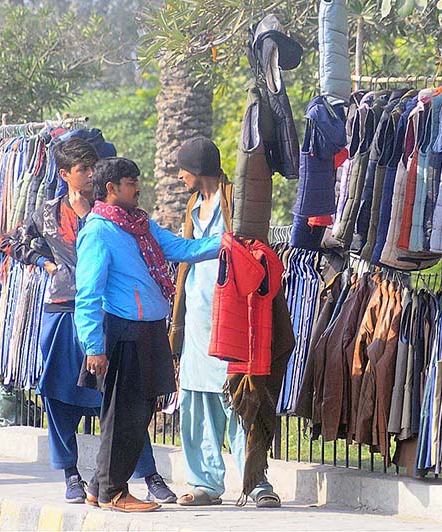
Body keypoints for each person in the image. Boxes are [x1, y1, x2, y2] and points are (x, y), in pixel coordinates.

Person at [2, 139, 176, 505]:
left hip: (105, 314)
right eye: (83, 169)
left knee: (120, 400)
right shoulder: (47, 213)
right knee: (60, 395)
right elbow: (12, 243)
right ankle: (72, 474)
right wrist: (44, 264)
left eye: (94, 167)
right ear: (65, 175)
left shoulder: (109, 214)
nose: (91, 174)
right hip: (63, 309)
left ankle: (146, 474)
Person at [74, 157, 221, 512]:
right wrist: (94, 347)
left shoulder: (138, 224)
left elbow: (179, 249)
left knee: (137, 413)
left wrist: (226, 243)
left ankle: (97, 487)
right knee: (124, 414)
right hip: (123, 333)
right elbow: (88, 294)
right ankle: (114, 492)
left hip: (149, 330)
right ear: (111, 189)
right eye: (131, 182)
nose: (138, 187)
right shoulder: (99, 230)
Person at [169, 136, 281, 508]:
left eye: (183, 168)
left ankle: (256, 480)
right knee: (198, 400)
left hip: (233, 315)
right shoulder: (192, 206)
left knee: (242, 397)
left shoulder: (236, 200)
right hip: (197, 319)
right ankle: (205, 483)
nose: (180, 175)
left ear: (198, 168)